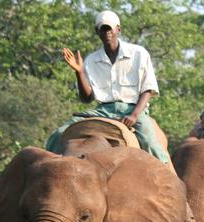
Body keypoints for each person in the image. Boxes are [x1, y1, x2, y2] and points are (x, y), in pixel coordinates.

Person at [45, 10, 169, 164]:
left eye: (109, 28)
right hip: (103, 110)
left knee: (151, 144)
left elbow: (148, 89)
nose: (107, 32)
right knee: (58, 134)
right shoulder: (91, 60)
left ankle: (165, 174)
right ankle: (46, 169)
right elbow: (86, 98)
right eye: (102, 29)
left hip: (133, 109)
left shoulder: (139, 53)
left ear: (118, 29)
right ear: (97, 32)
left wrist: (135, 115)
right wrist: (80, 72)